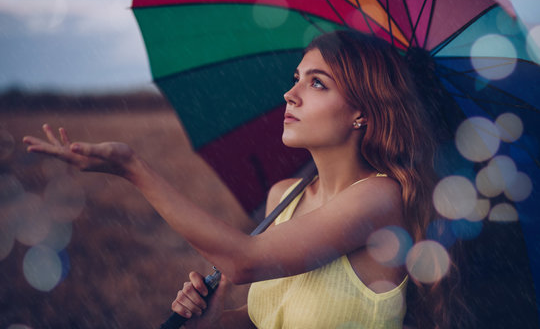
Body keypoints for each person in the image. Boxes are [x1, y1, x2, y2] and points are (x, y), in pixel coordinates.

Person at [23, 30, 463, 328]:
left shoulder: (380, 200)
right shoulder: (282, 198)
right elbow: (266, 319)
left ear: (362, 112)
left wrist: (132, 167)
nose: (290, 94)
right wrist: (213, 320)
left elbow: (243, 262)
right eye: (296, 79)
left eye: (318, 84)